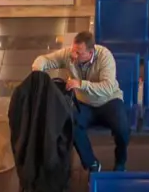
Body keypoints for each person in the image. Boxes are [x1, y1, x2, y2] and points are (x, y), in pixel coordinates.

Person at [33, 30, 130, 173]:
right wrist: (37, 70)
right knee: (70, 125)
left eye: (79, 53)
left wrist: (81, 84)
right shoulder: (69, 54)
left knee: (123, 129)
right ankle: (92, 164)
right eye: (73, 50)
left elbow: (108, 87)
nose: (74, 55)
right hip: (84, 103)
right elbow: (45, 60)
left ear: (90, 53)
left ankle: (121, 162)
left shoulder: (105, 57)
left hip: (109, 100)